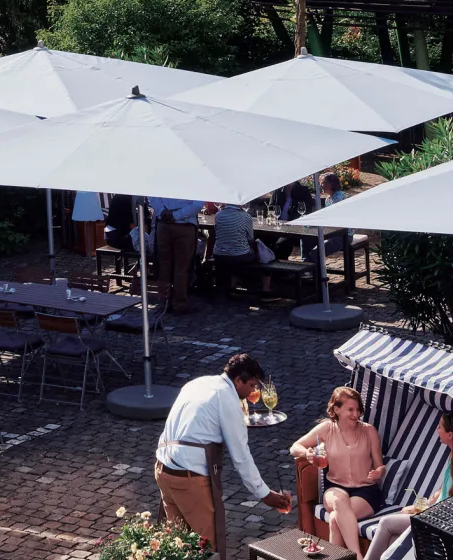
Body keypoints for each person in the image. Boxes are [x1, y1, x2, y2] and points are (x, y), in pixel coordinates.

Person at [155, 353, 292, 556]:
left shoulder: (199, 383)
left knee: (178, 545)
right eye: (252, 385)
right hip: (188, 478)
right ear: (238, 380)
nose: (254, 391)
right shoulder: (227, 399)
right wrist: (264, 494)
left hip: (163, 469)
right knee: (206, 546)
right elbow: (241, 456)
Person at [360, 411, 453, 560]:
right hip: (431, 514)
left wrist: (422, 512)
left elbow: (451, 506)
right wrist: (421, 506)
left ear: (450, 435)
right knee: (393, 540)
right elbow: (442, 491)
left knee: (385, 523)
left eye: (439, 427)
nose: (437, 430)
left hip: (438, 523)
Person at [289, 387, 385, 551]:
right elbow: (294, 447)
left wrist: (378, 473)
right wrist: (307, 453)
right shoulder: (327, 429)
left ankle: (348, 556)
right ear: (336, 409)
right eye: (350, 410)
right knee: (340, 503)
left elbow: (380, 465)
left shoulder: (369, 431)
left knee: (335, 518)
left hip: (366, 491)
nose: (356, 414)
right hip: (334, 488)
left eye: (358, 409)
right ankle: (358, 556)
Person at [150, 197, 205, 313]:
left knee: (164, 265)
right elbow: (198, 203)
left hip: (164, 224)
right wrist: (176, 215)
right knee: (182, 267)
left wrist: (162, 212)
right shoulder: (197, 179)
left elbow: (152, 197)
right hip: (184, 226)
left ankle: (165, 302)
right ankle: (179, 303)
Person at [209, 201, 260, 291]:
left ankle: (232, 281)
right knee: (255, 255)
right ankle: (250, 285)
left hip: (219, 253)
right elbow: (250, 238)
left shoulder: (218, 215)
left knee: (231, 257)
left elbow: (216, 233)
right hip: (240, 255)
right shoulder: (246, 216)